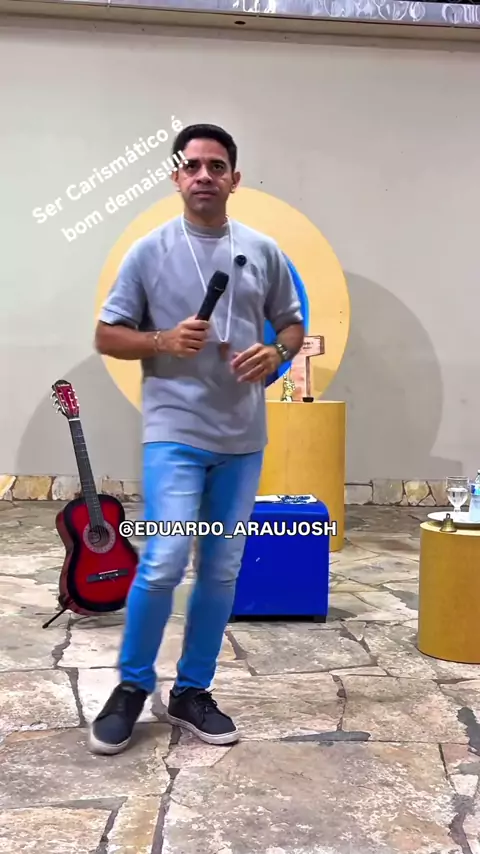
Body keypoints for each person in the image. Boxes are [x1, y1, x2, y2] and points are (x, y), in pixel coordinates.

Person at [90, 123, 304, 755]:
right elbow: (107, 335)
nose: (204, 175)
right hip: (174, 434)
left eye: (216, 166)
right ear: (176, 177)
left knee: (221, 567)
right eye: (192, 166)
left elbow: (292, 325)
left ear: (234, 179)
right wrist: (161, 340)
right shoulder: (148, 252)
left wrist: (276, 353)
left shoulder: (263, 250)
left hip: (242, 438)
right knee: (162, 560)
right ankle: (132, 686)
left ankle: (192, 691)